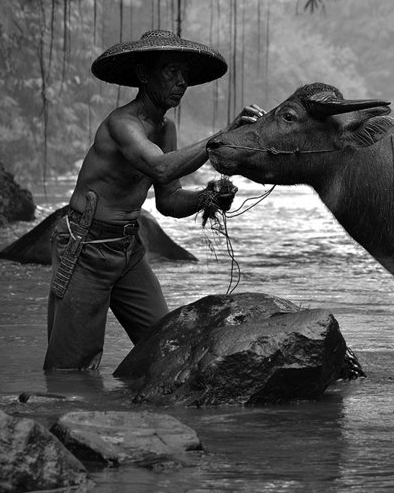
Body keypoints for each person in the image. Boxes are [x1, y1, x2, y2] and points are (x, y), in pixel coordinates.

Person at [43, 29, 265, 370]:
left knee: (166, 346)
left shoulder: (166, 129)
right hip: (85, 247)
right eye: (172, 72)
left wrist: (208, 197)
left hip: (127, 248)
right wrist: (223, 136)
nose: (182, 82)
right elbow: (161, 168)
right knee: (71, 369)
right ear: (144, 75)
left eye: (185, 74)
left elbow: (169, 199)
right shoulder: (122, 124)